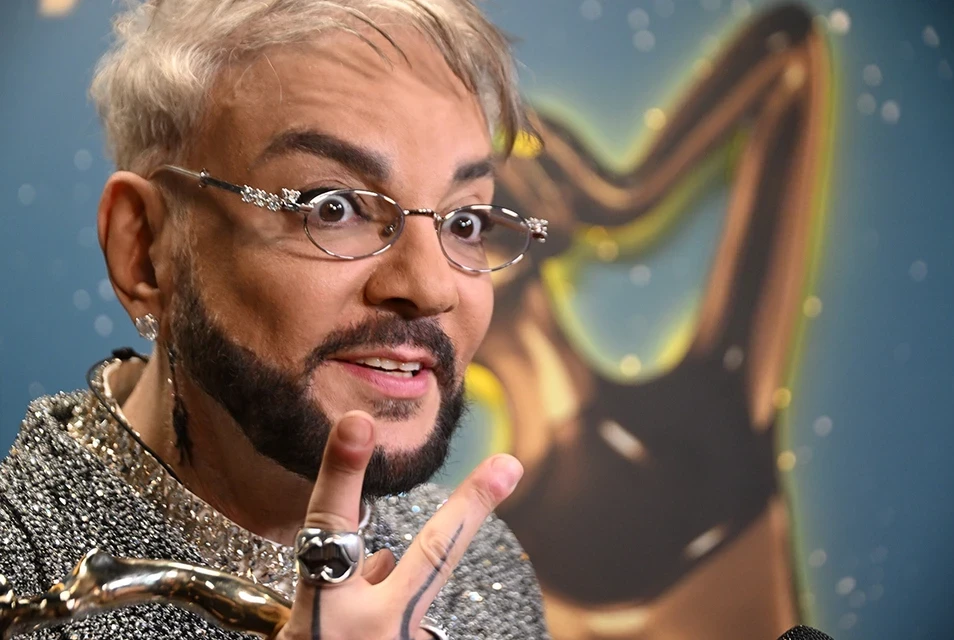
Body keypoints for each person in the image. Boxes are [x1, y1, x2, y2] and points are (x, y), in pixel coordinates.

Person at [0, 1, 550, 638]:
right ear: (145, 248)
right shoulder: (22, 574)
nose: (430, 287)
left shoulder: (481, 571)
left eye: (466, 222)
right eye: (332, 207)